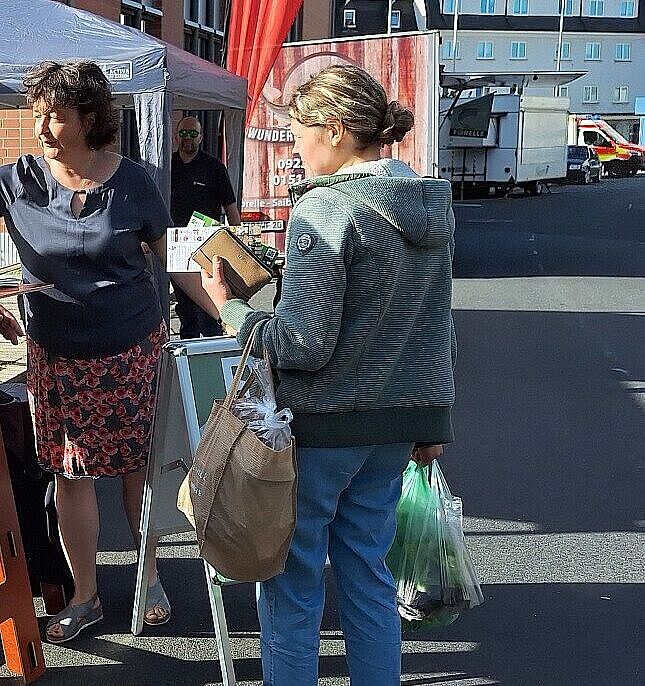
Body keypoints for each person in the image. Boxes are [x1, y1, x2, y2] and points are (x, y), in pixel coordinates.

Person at [201, 65, 456, 686]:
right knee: (368, 574)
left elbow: (304, 341)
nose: (293, 148)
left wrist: (230, 308)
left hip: (325, 421)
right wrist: (434, 418)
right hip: (399, 421)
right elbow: (437, 323)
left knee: (292, 580)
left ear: (335, 131)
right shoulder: (427, 204)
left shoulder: (326, 209)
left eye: (298, 133)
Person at [0, 61, 219, 643]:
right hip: (55, 355)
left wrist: (232, 314)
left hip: (129, 350)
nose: (42, 127)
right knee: (70, 477)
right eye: (38, 113)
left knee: (136, 472)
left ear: (91, 117)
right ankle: (86, 595)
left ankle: (149, 578)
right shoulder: (14, 181)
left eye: (57, 116)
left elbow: (174, 259)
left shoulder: (136, 182)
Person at [171, 115, 241, 338]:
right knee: (185, 311)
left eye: (193, 134)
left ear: (201, 137)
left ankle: (211, 359)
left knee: (209, 312)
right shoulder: (167, 167)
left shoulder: (214, 168)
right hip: (177, 249)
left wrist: (238, 239)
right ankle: (186, 364)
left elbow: (230, 207)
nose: (188, 138)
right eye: (183, 133)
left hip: (207, 249)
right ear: (176, 136)